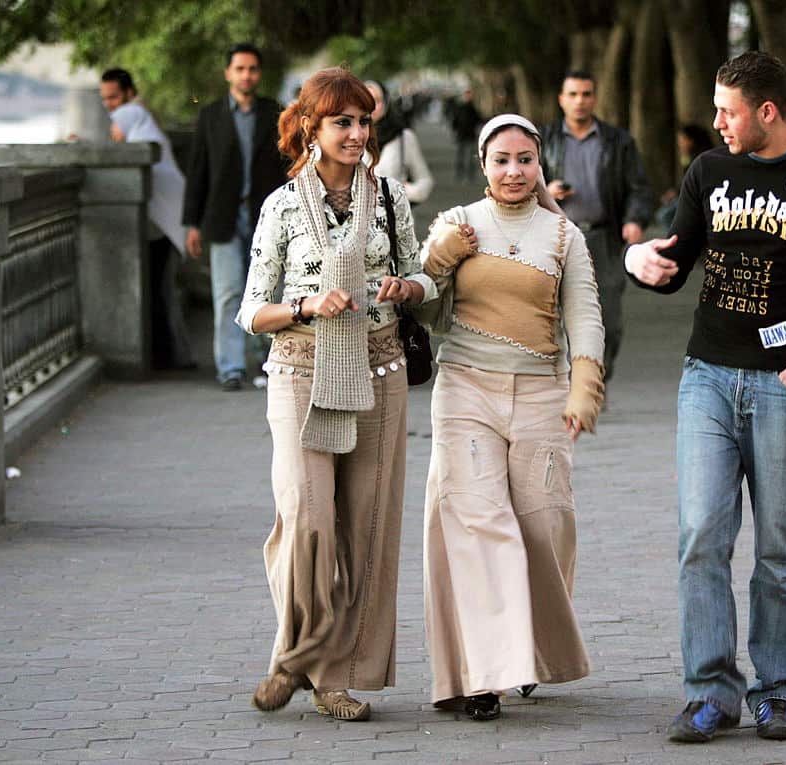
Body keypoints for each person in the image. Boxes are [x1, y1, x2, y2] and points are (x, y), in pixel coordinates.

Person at [625, 51, 786, 743]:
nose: (717, 123)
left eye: (728, 111)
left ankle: (780, 690)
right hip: (707, 375)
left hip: (785, 386)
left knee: (778, 548)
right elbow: (674, 266)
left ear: (767, 111)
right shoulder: (709, 170)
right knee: (701, 534)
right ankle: (711, 692)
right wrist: (640, 261)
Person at [236, 67, 437, 721]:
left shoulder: (391, 199)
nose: (356, 134)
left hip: (379, 373)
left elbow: (418, 274)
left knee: (364, 532)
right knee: (307, 518)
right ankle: (294, 654)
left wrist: (405, 289)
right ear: (312, 129)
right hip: (299, 373)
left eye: (363, 121)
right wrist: (306, 304)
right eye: (341, 122)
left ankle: (328, 677)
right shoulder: (282, 206)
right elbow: (251, 311)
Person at [420, 114, 605, 721]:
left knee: (544, 527)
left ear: (539, 163)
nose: (513, 171)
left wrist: (584, 390)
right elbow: (417, 304)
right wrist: (437, 261)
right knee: (480, 523)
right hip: (465, 388)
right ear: (482, 164)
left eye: (524, 159)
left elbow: (585, 317)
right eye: (501, 160)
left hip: (541, 394)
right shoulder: (458, 224)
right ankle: (485, 674)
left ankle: (527, 651)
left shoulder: (563, 235)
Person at [182, 42, 286, 391]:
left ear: (259, 74)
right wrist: (192, 223)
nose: (246, 75)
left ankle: (268, 360)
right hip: (223, 217)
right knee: (227, 293)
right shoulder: (211, 116)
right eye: (240, 69)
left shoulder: (274, 113)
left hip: (266, 218)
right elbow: (198, 171)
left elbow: (289, 166)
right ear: (228, 73)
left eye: (252, 69)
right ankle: (230, 368)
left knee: (267, 291)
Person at [541, 69, 653, 381]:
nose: (580, 101)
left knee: (609, 321)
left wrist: (634, 220)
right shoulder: (543, 140)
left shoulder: (618, 142)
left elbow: (640, 188)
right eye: (573, 95)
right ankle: (569, 383)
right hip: (558, 239)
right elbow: (520, 184)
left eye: (586, 94)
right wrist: (546, 191)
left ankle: (597, 377)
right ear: (562, 100)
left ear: (595, 98)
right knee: (557, 317)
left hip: (604, 239)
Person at [105, 76, 195, 370]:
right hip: (161, 228)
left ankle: (169, 357)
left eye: (115, 112)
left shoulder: (145, 144)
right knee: (161, 291)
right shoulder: (150, 136)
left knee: (160, 291)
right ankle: (171, 355)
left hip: (162, 230)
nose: (113, 128)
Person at [364, 80, 434, 205]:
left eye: (377, 100)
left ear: (386, 102)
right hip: (356, 221)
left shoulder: (403, 137)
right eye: (365, 100)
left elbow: (425, 180)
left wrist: (404, 191)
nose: (371, 106)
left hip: (395, 219)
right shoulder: (347, 137)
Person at [655, 124, 715, 230]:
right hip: (689, 194)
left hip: (697, 197)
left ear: (691, 140)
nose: (680, 143)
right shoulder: (689, 156)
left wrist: (677, 193)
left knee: (664, 215)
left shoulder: (700, 158)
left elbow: (692, 182)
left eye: (682, 139)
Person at [449, 88, 482, 181]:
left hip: (470, 135)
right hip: (461, 135)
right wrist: (455, 131)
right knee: (460, 155)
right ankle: (459, 173)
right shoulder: (460, 107)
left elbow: (478, 119)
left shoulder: (473, 108)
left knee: (471, 156)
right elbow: (455, 121)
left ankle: (471, 174)